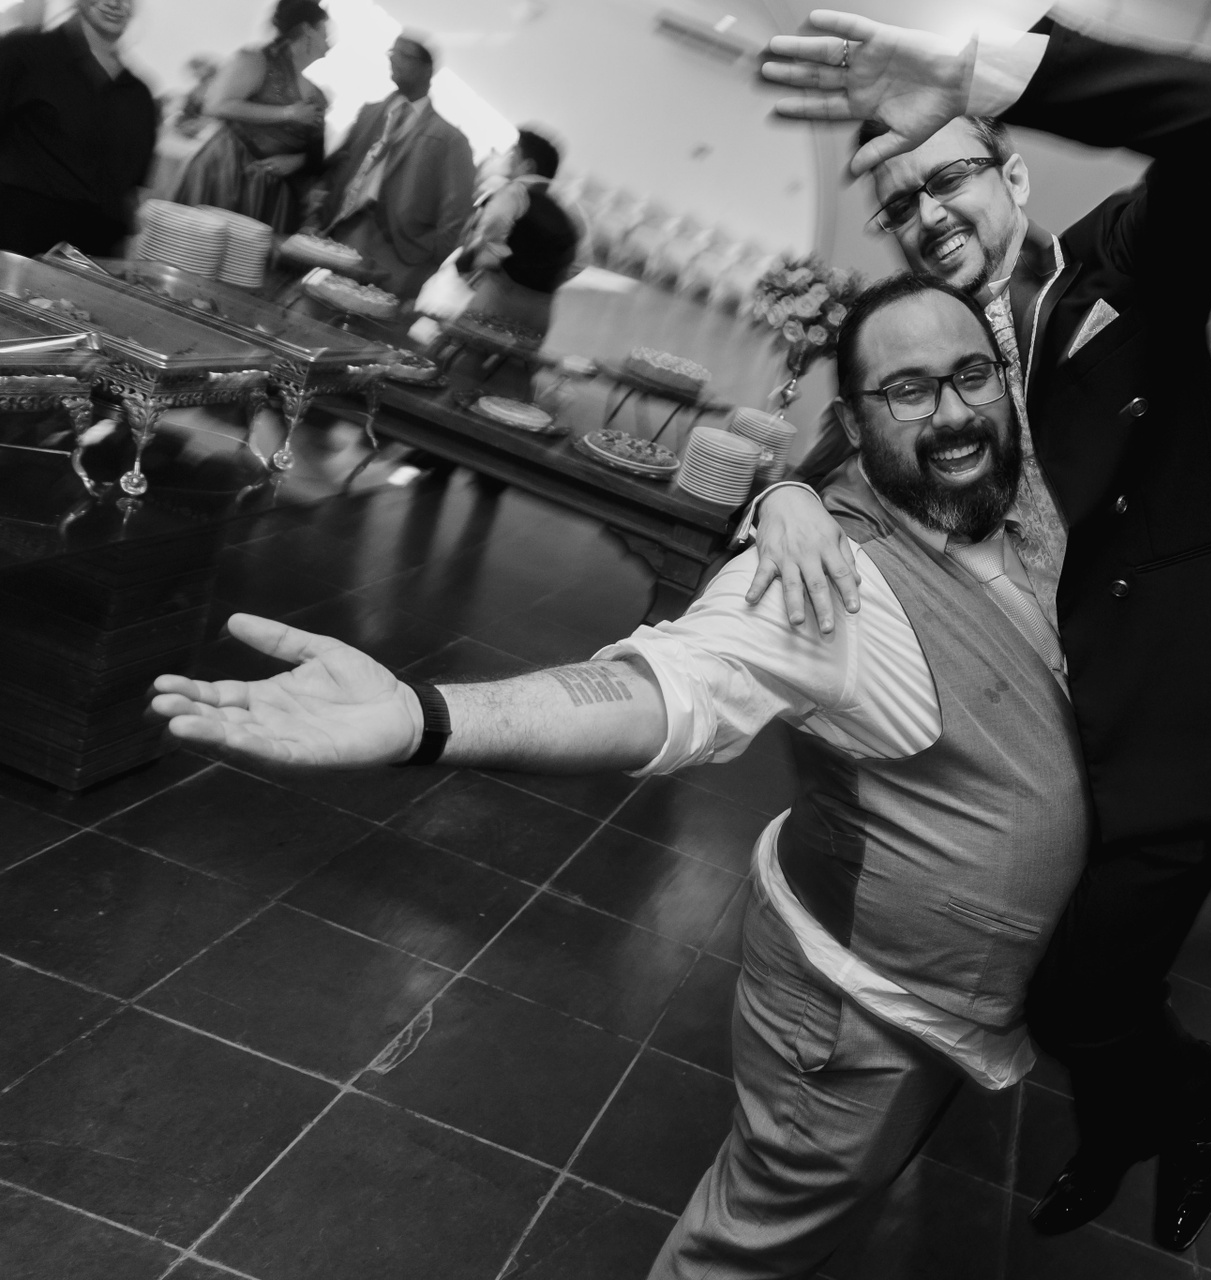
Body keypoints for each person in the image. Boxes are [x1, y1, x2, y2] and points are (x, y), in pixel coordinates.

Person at [150, 274, 1093, 1280]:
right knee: (746, 1251)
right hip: (858, 1001)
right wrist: (427, 718)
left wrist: (785, 488)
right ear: (855, 424)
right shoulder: (826, 586)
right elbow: (667, 687)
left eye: (971, 376)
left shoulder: (1033, 513)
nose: (953, 412)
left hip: (935, 988)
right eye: (908, 389)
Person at [753, 9, 1211, 1250]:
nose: (929, 215)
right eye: (901, 205)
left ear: (1011, 176)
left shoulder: (1125, 267)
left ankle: (1187, 1095)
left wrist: (990, 70)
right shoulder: (932, 352)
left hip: (1186, 718)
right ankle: (1119, 1126)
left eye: (949, 177)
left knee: (1079, 994)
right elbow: (830, 454)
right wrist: (786, 493)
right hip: (1054, 739)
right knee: (1062, 979)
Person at [312, 31, 474, 300]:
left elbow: (455, 214)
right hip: (342, 231)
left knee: (366, 319)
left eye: (403, 55)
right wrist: (319, 215)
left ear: (427, 70)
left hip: (401, 256)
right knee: (317, 301)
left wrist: (428, 263)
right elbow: (339, 166)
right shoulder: (370, 113)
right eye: (392, 53)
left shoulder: (450, 140)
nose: (394, 60)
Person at [0, 0, 157, 257]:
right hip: (17, 246)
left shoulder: (139, 95)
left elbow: (130, 192)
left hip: (94, 258)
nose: (114, 3)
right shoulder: (23, 53)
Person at [171, 0, 330, 234]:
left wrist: (298, 161)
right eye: (325, 30)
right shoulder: (256, 60)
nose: (330, 40)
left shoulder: (318, 95)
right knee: (202, 243)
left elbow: (317, 152)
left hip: (272, 190)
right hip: (228, 171)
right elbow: (216, 105)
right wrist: (287, 113)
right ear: (307, 30)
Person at [454, 126, 578, 334]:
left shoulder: (513, 193)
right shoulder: (570, 212)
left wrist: (470, 263)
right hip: (542, 310)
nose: (507, 158)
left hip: (499, 299)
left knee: (464, 349)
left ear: (527, 166)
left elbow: (491, 234)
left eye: (513, 154)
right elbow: (580, 263)